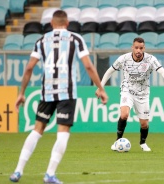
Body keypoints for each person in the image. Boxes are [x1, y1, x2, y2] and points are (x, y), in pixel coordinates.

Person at [9, 10, 108, 183]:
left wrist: (22, 93)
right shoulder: (76, 39)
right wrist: (100, 88)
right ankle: (50, 174)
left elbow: (29, 68)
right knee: (63, 133)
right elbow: (89, 67)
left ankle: (18, 171)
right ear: (67, 23)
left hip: (47, 91)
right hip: (67, 92)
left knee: (37, 130)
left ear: (51, 24)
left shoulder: (41, 41)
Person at [96, 37, 164, 152]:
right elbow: (110, 71)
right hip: (127, 90)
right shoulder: (124, 59)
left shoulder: (150, 59)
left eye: (141, 48)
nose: (138, 51)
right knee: (124, 114)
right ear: (132, 47)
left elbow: (161, 70)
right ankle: (118, 141)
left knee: (144, 124)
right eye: (136, 48)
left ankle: (143, 143)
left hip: (143, 93)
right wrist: (101, 87)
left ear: (144, 48)